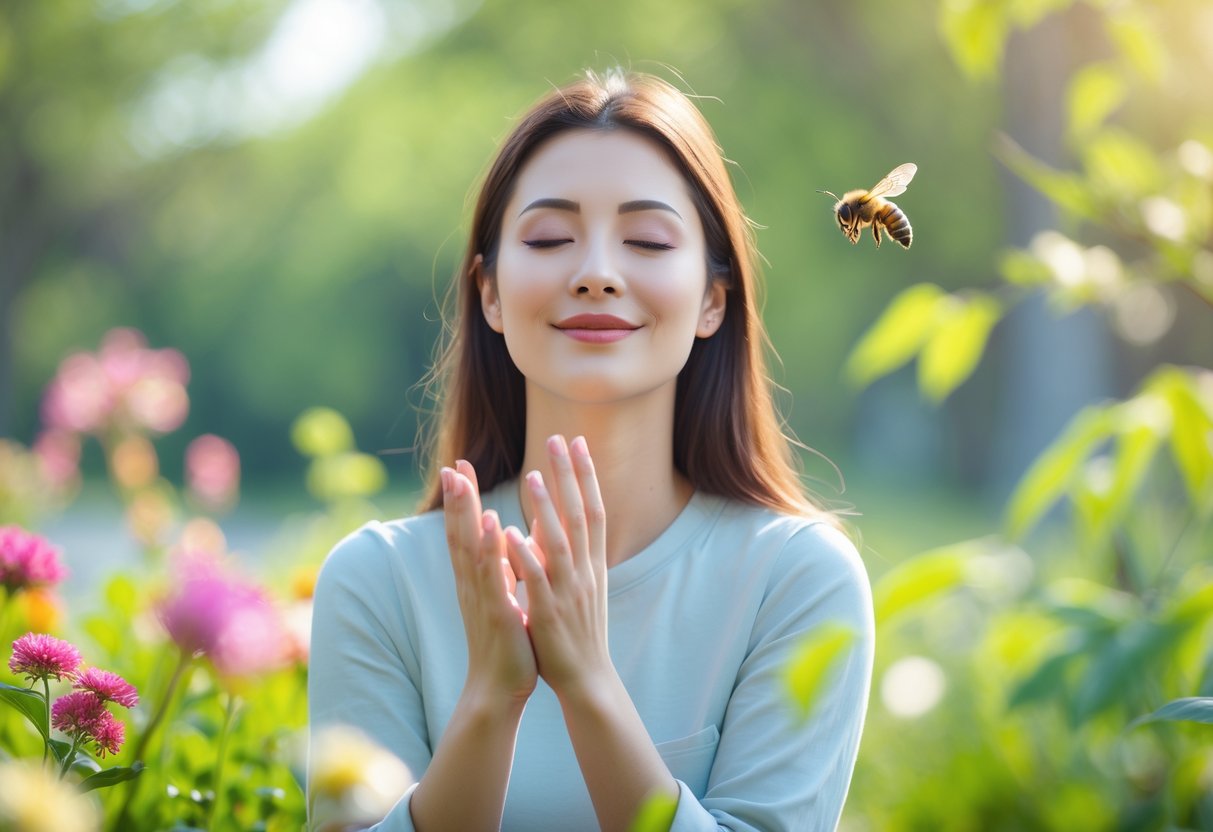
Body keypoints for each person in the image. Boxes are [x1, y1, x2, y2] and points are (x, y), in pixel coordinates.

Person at [308, 68, 874, 832]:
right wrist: (488, 705)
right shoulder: (378, 582)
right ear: (491, 294)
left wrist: (588, 687)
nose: (597, 274)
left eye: (646, 240)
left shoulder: (795, 580)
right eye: (548, 238)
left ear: (713, 298)